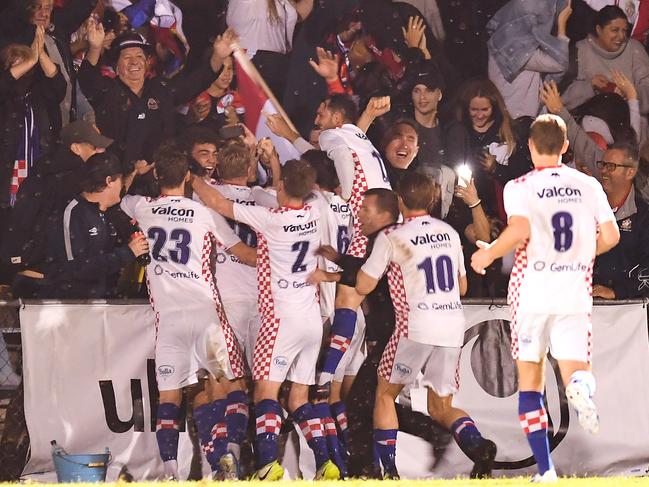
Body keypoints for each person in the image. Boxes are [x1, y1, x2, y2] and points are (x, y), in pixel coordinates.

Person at [471, 114, 620, 482]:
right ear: (566, 146)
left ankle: (546, 469)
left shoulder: (520, 186)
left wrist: (489, 253)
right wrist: (580, 255)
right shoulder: (587, 184)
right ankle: (581, 390)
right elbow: (611, 235)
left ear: (532, 147)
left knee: (531, 381)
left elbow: (519, 229)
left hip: (533, 288)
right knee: (575, 370)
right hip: (573, 288)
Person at [193, 159, 341, 481]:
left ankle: (267, 464)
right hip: (311, 321)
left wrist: (192, 178)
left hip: (280, 319)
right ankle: (325, 462)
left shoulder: (270, 219)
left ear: (282, 187)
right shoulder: (314, 211)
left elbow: (218, 203)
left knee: (265, 393)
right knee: (299, 397)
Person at [120, 143, 253, 480]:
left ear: (157, 175)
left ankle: (170, 471)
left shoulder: (144, 208)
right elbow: (241, 251)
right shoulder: (203, 214)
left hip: (170, 321)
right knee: (229, 386)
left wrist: (136, 172)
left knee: (171, 398)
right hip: (206, 314)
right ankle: (228, 456)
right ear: (188, 177)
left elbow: (122, 195)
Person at [355, 173, 497, 480]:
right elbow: (461, 287)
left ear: (400, 200)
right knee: (441, 407)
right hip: (450, 327)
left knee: (384, 395)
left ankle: (388, 471)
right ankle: (479, 447)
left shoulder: (393, 236)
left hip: (414, 327)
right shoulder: (448, 232)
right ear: (432, 200)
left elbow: (365, 283)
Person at [79, 18, 237, 175]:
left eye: (140, 56)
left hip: (160, 179)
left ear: (147, 63)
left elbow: (198, 81)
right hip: (117, 180)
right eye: (127, 57)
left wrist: (218, 55)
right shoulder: (107, 90)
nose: (134, 62)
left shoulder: (161, 89)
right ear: (116, 66)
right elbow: (87, 79)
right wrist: (95, 47)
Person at [315, 94, 392, 393]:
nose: (317, 119)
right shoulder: (360, 137)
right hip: (385, 220)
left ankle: (326, 375)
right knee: (358, 302)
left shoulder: (331, 135)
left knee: (347, 302)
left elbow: (342, 158)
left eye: (321, 114)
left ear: (336, 119)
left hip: (366, 220)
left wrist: (346, 194)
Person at [1, 120, 113, 297]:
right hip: (48, 268)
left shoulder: (44, 167)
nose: (101, 151)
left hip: (25, 261)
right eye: (95, 147)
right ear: (76, 148)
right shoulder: (76, 177)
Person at [40, 152, 149, 299]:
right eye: (121, 180)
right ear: (109, 181)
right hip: (74, 305)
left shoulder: (113, 213)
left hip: (105, 302)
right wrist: (127, 253)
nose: (123, 185)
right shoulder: (73, 212)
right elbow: (75, 268)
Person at [487, 0, 573, 118]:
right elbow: (560, 63)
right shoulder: (513, 46)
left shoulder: (507, 38)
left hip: (522, 119)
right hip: (516, 123)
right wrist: (562, 25)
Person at [561, 6, 649, 117]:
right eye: (615, 30)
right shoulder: (579, 50)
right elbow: (563, 98)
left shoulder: (634, 49)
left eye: (624, 30)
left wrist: (629, 93)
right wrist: (590, 86)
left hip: (631, 123)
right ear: (598, 29)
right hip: (590, 126)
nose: (621, 36)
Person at [590, 143, 649, 300]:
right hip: (588, 306)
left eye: (611, 166)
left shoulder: (643, 215)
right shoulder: (588, 208)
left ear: (630, 172)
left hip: (631, 312)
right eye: (602, 165)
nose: (603, 171)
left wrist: (617, 292)